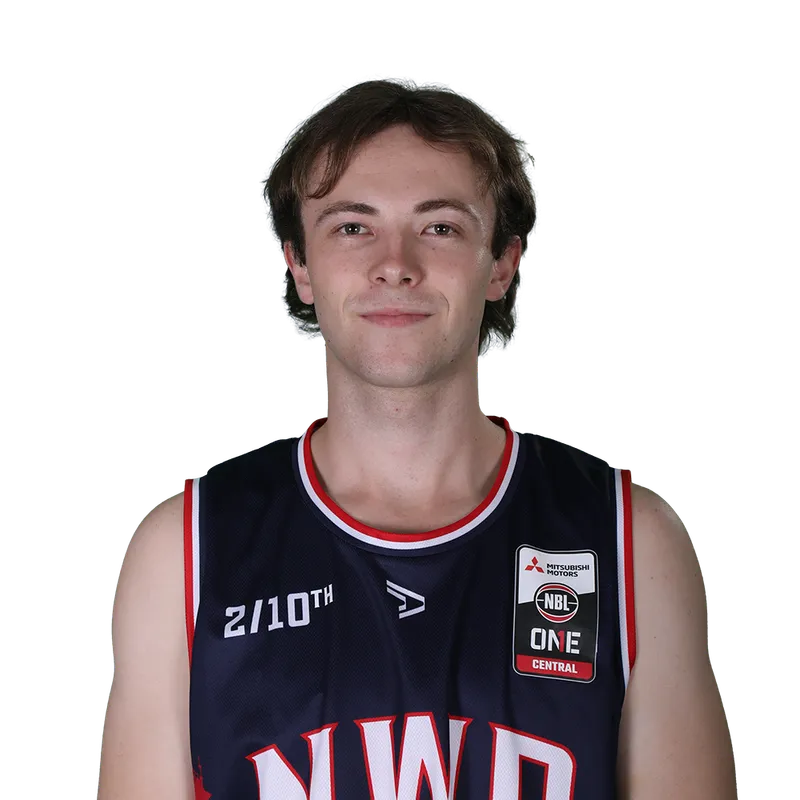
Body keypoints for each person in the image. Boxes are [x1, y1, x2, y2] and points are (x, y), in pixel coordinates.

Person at [97, 76, 736, 799]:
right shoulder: (185, 551)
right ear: (299, 264)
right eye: (352, 226)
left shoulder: (629, 541)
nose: (395, 264)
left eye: (440, 227)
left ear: (501, 263)